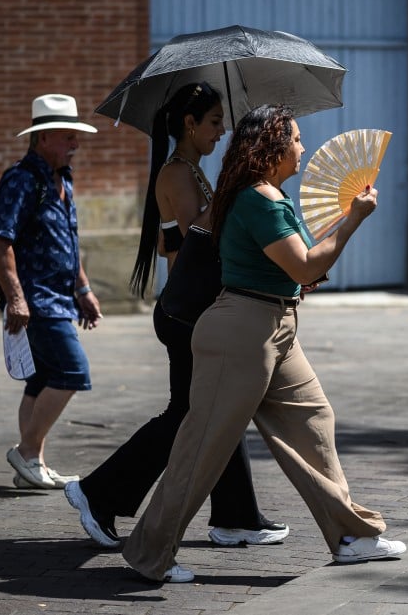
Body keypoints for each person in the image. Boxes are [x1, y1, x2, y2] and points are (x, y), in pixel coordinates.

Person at [122, 103, 407, 584]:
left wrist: (305, 272)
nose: (303, 148)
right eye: (295, 139)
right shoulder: (259, 199)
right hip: (243, 333)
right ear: (272, 147)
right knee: (202, 447)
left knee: (313, 418)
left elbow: (294, 271)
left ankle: (350, 536)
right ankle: (151, 552)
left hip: (274, 327)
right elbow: (305, 265)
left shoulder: (268, 195)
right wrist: (352, 218)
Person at [63, 83, 288, 548]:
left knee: (219, 407)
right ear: (189, 124)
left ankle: (235, 515)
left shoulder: (193, 173)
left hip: (198, 309)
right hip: (188, 315)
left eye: (223, 123)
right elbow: (199, 240)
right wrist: (238, 190)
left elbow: (177, 241)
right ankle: (98, 492)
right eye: (213, 122)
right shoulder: (178, 175)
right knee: (188, 414)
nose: (222, 131)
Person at [0, 93, 102, 490]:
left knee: (40, 382)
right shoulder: (21, 180)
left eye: (76, 136)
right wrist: (17, 298)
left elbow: (69, 241)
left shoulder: (63, 179)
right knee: (73, 373)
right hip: (36, 301)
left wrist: (83, 289)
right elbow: (1, 242)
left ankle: (32, 465)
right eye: (68, 137)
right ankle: (25, 451)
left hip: (61, 297)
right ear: (43, 139)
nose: (76, 144)